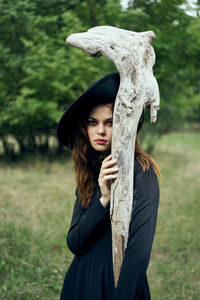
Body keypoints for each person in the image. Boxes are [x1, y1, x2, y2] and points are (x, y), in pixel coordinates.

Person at [57, 72, 160, 300]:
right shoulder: (92, 169)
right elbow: (75, 242)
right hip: (81, 281)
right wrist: (102, 199)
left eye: (110, 122)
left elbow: (139, 253)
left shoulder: (142, 170)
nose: (100, 131)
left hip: (117, 285)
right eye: (93, 122)